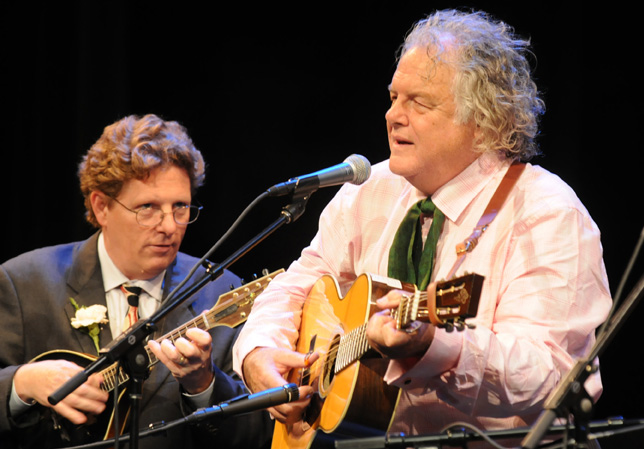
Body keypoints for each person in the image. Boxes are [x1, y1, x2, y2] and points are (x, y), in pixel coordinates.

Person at [233, 8, 612, 447]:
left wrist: (433, 346)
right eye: (394, 98)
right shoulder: (369, 189)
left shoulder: (546, 212)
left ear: (485, 120)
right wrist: (257, 353)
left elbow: (551, 377)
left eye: (419, 102)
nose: (394, 116)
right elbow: (296, 285)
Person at [0, 114, 273, 449]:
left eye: (181, 207)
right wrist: (21, 383)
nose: (170, 226)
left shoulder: (220, 290)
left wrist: (203, 386)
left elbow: (260, 434)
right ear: (101, 207)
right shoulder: (24, 283)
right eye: (148, 208)